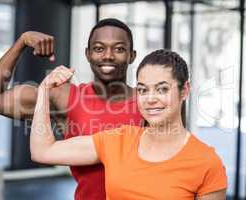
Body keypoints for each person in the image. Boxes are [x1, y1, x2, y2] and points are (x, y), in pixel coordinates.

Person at [0, 18, 143, 200]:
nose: (108, 55)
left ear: (131, 56)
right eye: (99, 48)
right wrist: (22, 42)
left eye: (119, 49)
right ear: (88, 54)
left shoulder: (149, 103)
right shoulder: (64, 98)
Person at [30, 49, 227, 200]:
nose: (150, 99)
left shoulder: (207, 163)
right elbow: (43, 151)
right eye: (142, 90)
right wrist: (44, 90)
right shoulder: (119, 140)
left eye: (162, 89)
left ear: (184, 91)